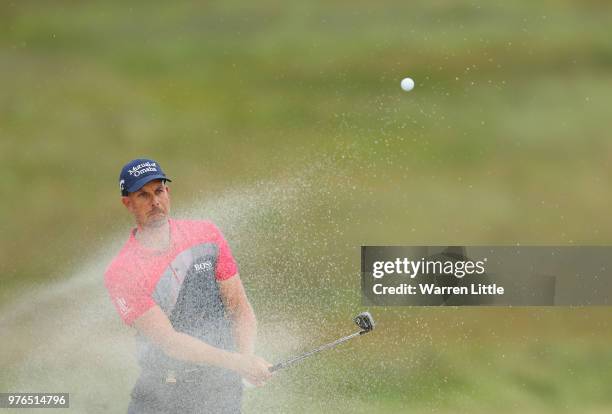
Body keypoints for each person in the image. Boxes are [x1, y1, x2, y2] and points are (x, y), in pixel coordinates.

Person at [104, 158, 272, 413]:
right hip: (162, 393)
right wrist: (238, 363)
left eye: (159, 191)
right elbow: (169, 341)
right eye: (143, 195)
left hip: (219, 389)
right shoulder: (122, 272)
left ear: (167, 192)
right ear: (127, 203)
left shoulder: (206, 235)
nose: (155, 202)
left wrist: (245, 359)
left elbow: (239, 307)